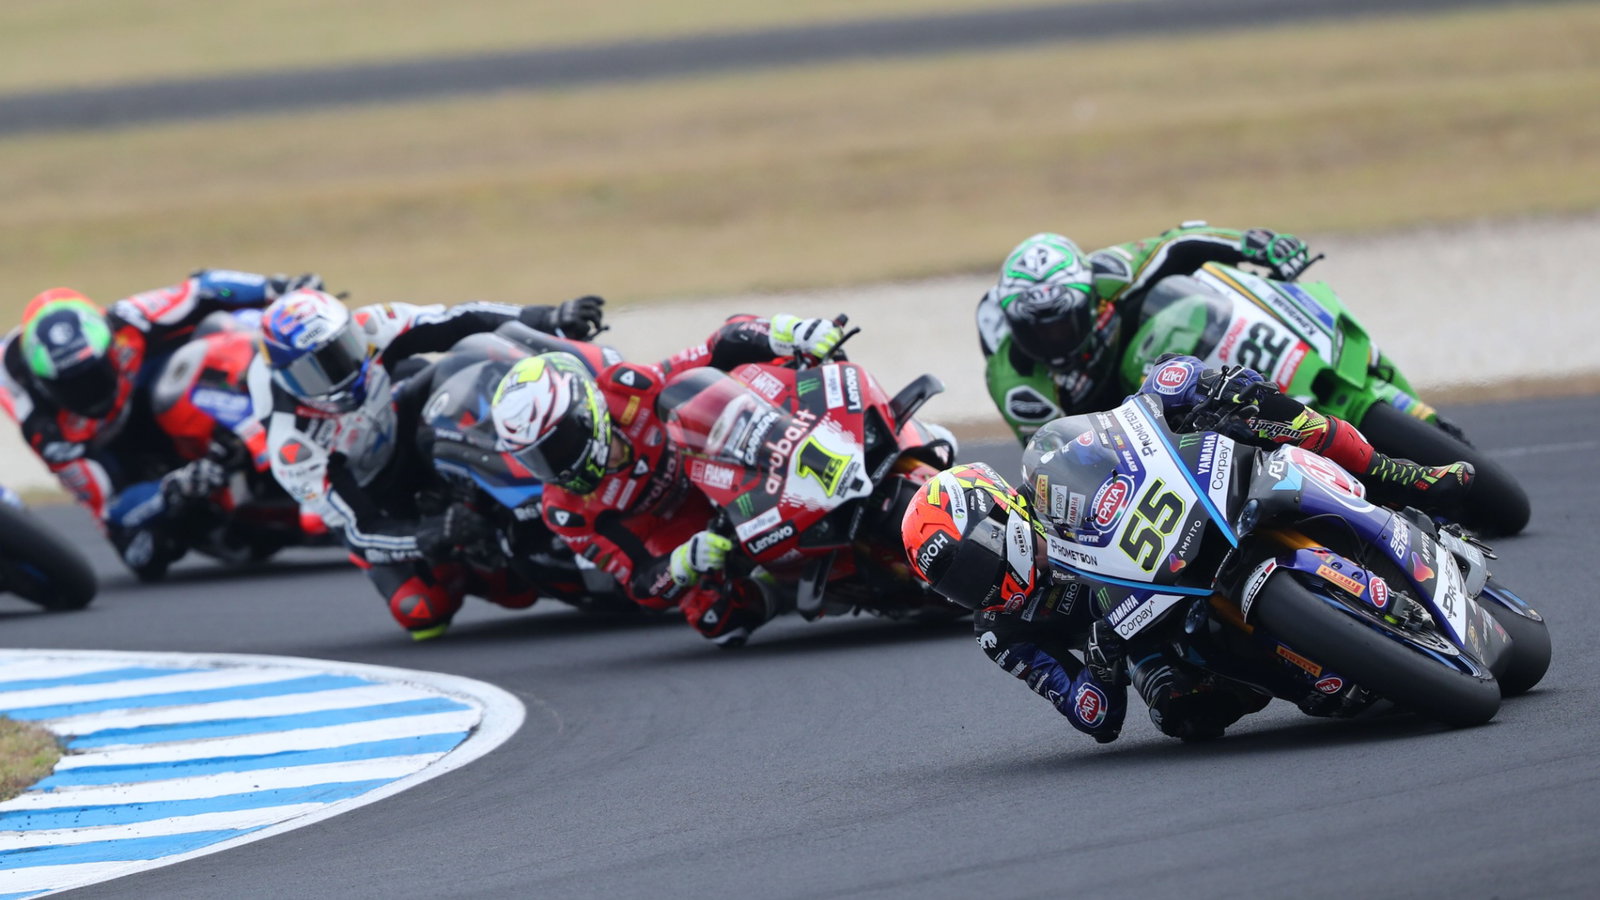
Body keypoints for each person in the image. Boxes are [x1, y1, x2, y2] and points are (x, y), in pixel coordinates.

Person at [900, 355, 1474, 742]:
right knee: (1182, 711)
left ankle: (1403, 476)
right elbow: (1090, 716)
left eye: (972, 567)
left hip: (1178, 524)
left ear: (1000, 517)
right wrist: (1100, 663)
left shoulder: (1050, 477)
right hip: (1140, 628)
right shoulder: (1000, 633)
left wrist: (1174, 389)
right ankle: (1313, 670)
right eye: (954, 586)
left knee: (1251, 403)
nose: (975, 592)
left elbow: (1121, 434)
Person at [260, 287, 607, 639]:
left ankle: (562, 444)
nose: (341, 374)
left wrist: (548, 318)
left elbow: (462, 319)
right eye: (316, 371)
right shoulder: (294, 446)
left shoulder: (373, 325)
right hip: (378, 496)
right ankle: (486, 564)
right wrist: (430, 534)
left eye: (341, 352)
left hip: (406, 418)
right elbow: (360, 530)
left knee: (473, 359)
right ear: (284, 376)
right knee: (423, 610)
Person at [490, 314, 848, 647]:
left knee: (773, 367)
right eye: (535, 458)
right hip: (694, 530)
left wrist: (784, 334)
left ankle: (851, 439)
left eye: (559, 444)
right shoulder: (565, 511)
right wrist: (682, 563)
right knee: (716, 618)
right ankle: (784, 584)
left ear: (587, 411)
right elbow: (639, 583)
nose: (557, 466)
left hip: (729, 463)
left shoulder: (624, 387)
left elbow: (713, 350)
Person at [0, 271, 321, 578]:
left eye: (94, 375)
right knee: (142, 553)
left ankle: (296, 412)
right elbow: (108, 510)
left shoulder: (130, 319)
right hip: (134, 457)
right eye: (72, 386)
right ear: (44, 385)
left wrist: (277, 288)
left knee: (228, 327)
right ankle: (227, 494)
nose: (90, 393)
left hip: (180, 389)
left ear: (111, 348)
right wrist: (172, 489)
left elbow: (206, 288)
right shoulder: (48, 430)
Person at [977, 223, 1321, 440]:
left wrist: (1254, 244)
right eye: (1036, 329)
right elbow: (1049, 454)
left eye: (1062, 323)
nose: (1052, 339)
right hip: (1114, 440)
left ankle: (1270, 386)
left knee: (1182, 305)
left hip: (1183, 385)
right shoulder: (1015, 384)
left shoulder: (1109, 272)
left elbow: (1180, 241)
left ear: (1091, 296)